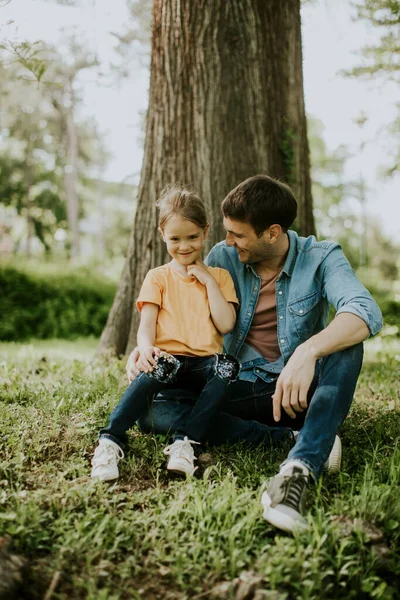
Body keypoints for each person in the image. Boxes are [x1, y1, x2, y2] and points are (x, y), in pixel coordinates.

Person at [128, 175, 383, 534]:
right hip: (232, 383)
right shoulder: (220, 258)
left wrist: (307, 352)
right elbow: (183, 321)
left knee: (347, 346)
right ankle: (291, 438)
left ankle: (299, 469)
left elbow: (363, 311)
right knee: (150, 408)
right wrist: (147, 352)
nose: (228, 241)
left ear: (272, 233)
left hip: (294, 390)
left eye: (238, 234)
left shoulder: (322, 257)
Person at [91, 186, 247, 480]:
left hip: (204, 365)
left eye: (192, 237)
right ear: (162, 234)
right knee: (158, 363)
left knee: (228, 365)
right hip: (168, 362)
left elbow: (226, 324)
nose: (184, 246)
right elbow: (146, 328)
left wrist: (208, 281)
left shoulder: (220, 277)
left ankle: (185, 443)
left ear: (205, 231)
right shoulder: (157, 277)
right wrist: (147, 349)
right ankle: (110, 440)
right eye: (175, 239)